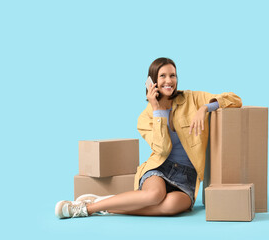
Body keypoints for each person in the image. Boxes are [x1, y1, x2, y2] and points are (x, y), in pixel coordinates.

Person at [55, 57, 242, 219]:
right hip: (160, 168)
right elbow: (162, 149)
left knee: (171, 207)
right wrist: (158, 110)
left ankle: (109, 206)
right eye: (163, 76)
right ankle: (87, 208)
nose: (169, 80)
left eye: (173, 75)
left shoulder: (192, 98)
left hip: (188, 176)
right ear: (152, 81)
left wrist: (204, 108)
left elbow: (234, 99)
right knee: (154, 195)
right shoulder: (145, 118)